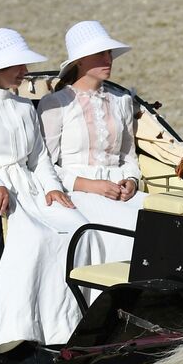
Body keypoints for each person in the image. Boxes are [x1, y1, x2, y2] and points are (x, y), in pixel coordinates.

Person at [0, 28, 104, 351]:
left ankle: (68, 323)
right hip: (0, 191)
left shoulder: (23, 106)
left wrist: (52, 188)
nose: (25, 72)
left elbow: (39, 157)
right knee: (35, 239)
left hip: (33, 186)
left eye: (24, 64)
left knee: (80, 229)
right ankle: (17, 327)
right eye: (17, 65)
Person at [38, 20, 144, 262]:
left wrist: (131, 180)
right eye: (100, 54)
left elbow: (128, 156)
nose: (108, 59)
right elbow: (45, 165)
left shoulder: (121, 101)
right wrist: (91, 185)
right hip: (77, 194)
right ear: (80, 61)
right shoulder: (56, 104)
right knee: (128, 227)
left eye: (109, 53)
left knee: (160, 221)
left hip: (120, 193)